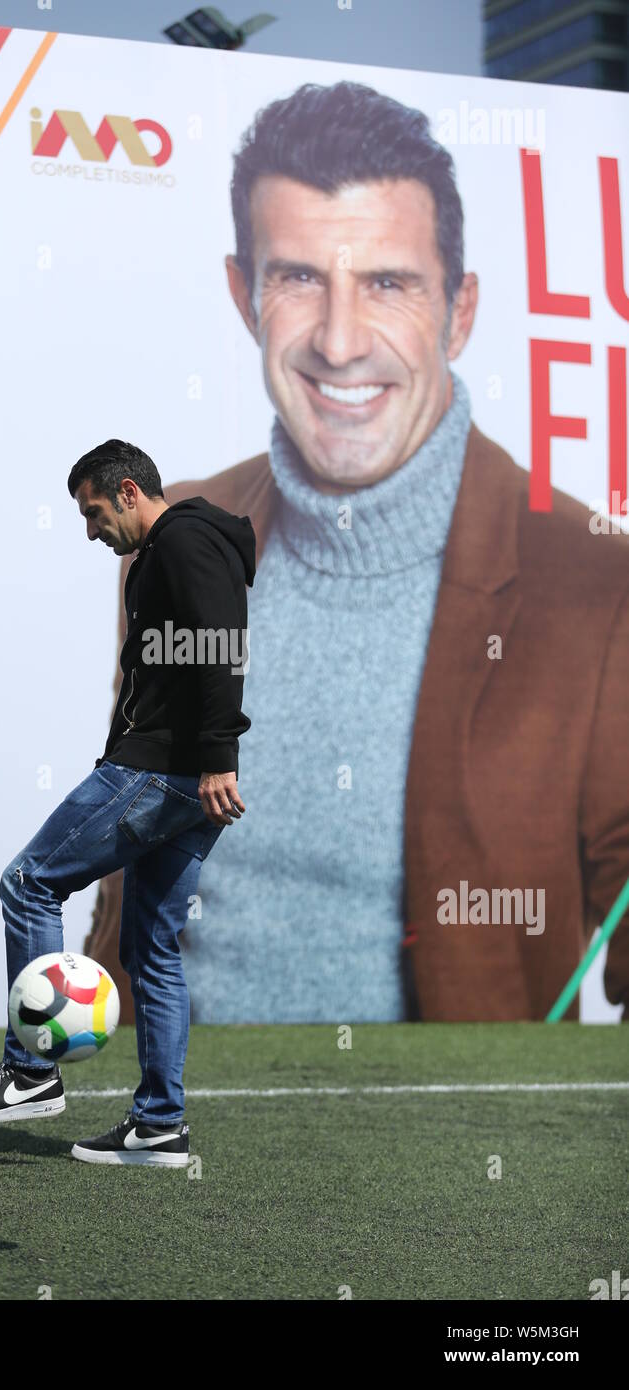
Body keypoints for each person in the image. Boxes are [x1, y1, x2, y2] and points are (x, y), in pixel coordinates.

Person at [85, 79, 629, 1025]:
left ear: (459, 311)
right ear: (243, 297)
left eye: (388, 282)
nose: (339, 343)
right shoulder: (168, 537)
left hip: (444, 1157)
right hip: (161, 1141)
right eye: (299, 277)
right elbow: (132, 829)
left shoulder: (595, 578)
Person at [0, 439, 255, 1165]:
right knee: (150, 946)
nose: (91, 532)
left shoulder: (181, 544)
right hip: (186, 778)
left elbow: (220, 641)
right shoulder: (182, 546)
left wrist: (216, 756)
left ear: (126, 492)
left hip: (164, 771)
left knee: (28, 883)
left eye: (92, 514)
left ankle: (30, 1072)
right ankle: (158, 1127)